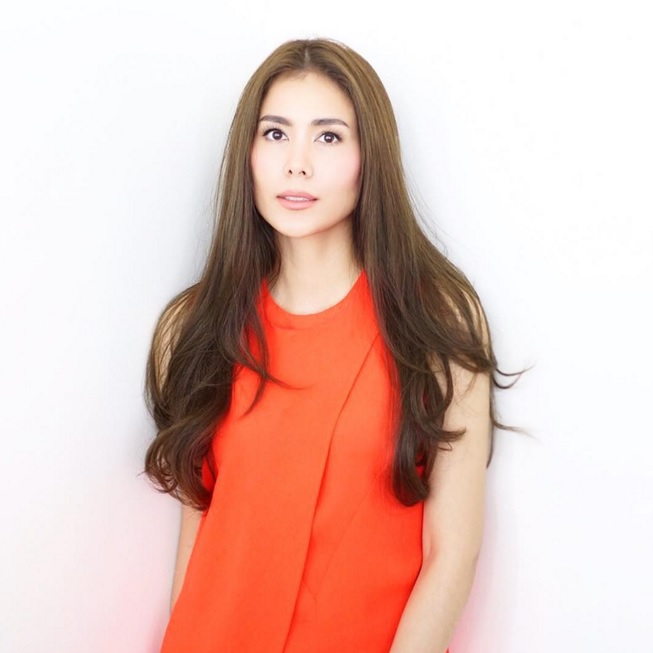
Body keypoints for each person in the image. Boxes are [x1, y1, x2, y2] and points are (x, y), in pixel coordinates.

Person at [144, 37, 512, 653]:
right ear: (248, 154)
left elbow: (452, 554)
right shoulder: (195, 326)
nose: (298, 165)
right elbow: (198, 534)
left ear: (371, 158)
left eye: (329, 137)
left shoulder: (437, 322)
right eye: (275, 134)